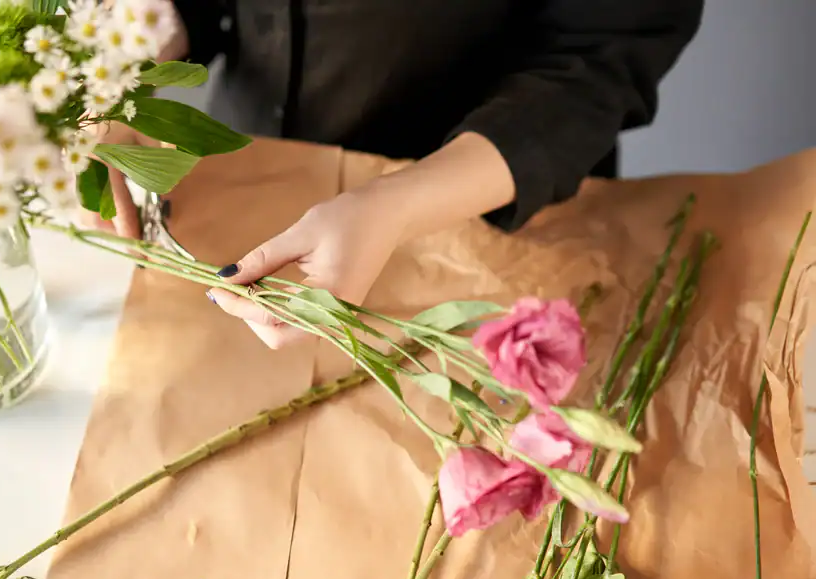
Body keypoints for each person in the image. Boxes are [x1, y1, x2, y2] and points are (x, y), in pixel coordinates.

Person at [89, 0, 704, 349]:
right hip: (245, 171)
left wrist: (397, 204)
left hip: (479, 204)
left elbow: (604, 47)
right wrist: (124, 68)